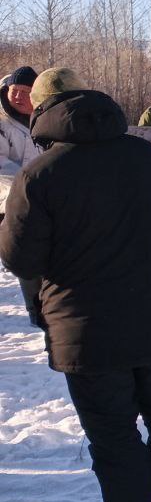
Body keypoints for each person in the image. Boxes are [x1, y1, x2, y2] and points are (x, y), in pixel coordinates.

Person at [0, 68, 151, 502]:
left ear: (41, 111)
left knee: (114, 432)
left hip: (86, 331)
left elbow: (19, 258)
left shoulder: (40, 174)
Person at [1, 66, 43, 325]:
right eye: (15, 91)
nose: (19, 97)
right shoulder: (3, 124)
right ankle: (35, 312)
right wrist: (29, 184)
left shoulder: (46, 122)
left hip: (45, 201)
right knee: (26, 257)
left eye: (27, 92)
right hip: (11, 202)